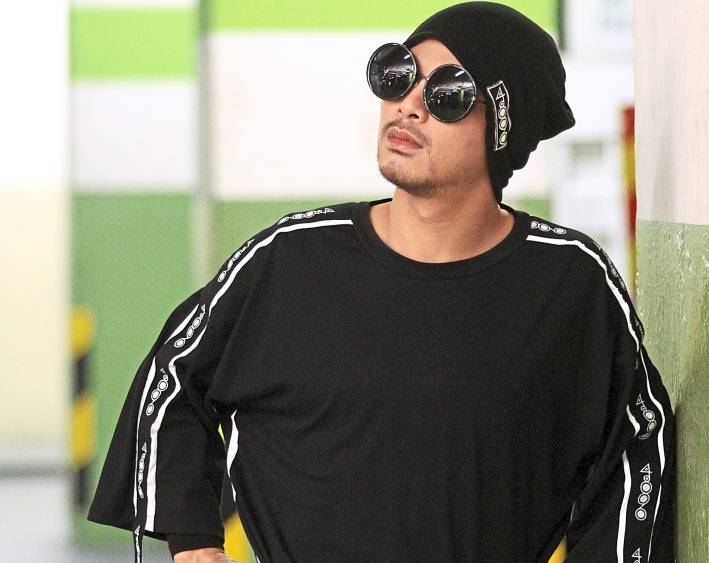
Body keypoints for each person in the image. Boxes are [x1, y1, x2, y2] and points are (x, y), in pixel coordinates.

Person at [87, 2, 675, 562]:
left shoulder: (568, 283)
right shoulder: (289, 262)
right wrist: (193, 540)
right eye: (399, 76)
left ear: (503, 130)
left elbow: (638, 443)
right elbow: (174, 378)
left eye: (447, 95)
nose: (408, 107)